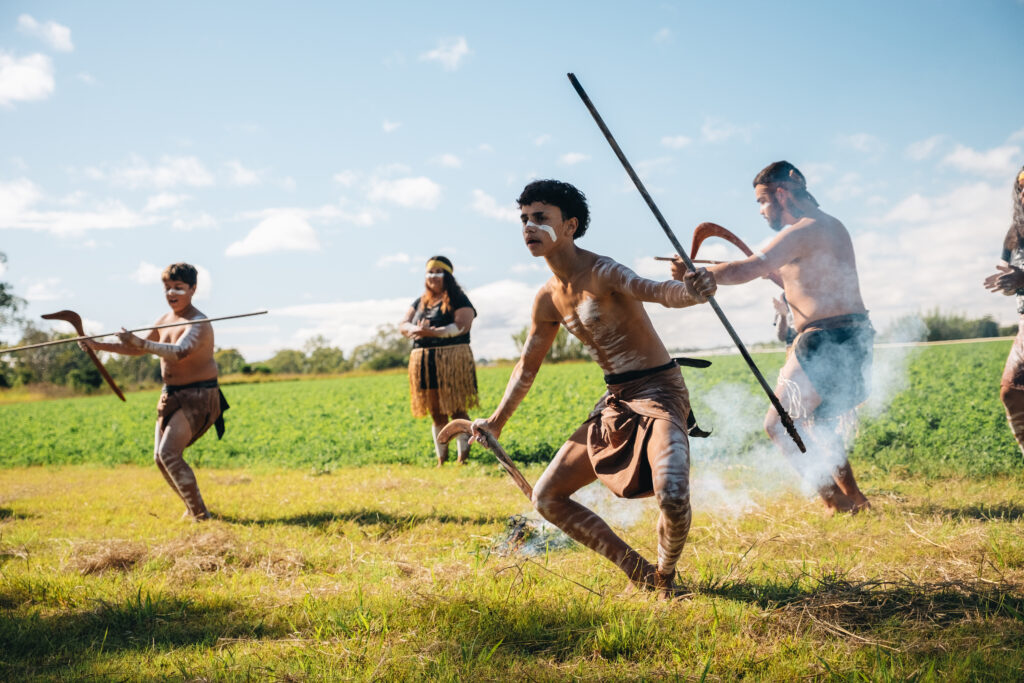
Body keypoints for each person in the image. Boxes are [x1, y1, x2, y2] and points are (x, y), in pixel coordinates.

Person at [471, 179, 716, 598]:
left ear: (570, 225)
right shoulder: (547, 298)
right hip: (616, 400)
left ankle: (666, 577)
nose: (529, 227)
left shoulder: (604, 271)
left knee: (673, 496)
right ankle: (638, 573)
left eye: (540, 218)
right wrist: (496, 421)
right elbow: (527, 365)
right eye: (524, 219)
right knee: (547, 498)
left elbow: (657, 290)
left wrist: (693, 292)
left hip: (660, 391)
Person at [674, 161, 873, 514]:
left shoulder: (803, 230)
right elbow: (798, 282)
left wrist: (699, 273)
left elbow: (748, 268)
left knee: (779, 424)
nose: (763, 211)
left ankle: (837, 504)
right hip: (850, 335)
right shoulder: (830, 227)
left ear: (781, 194)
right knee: (821, 426)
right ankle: (855, 499)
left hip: (826, 338)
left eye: (763, 201)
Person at [81, 263, 227, 521]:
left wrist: (141, 342)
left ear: (192, 289)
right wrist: (97, 345)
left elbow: (178, 351)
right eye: (167, 288)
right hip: (170, 393)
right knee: (160, 457)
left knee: (169, 453)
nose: (172, 293)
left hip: (198, 396)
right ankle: (194, 509)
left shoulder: (198, 322)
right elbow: (138, 350)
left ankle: (201, 516)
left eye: (178, 288)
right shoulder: (164, 320)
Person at [399, 256, 478, 465]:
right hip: (425, 362)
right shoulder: (420, 302)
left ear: (448, 276)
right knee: (435, 410)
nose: (433, 276)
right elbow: (403, 324)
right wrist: (415, 330)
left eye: (438, 272)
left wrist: (433, 332)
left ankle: (463, 457)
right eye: (429, 272)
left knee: (457, 408)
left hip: (451, 360)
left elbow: (463, 325)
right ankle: (441, 459)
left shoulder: (459, 298)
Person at [983, 165, 1024, 458]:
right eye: (1021, 185)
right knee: (1012, 392)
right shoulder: (1014, 234)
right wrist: (1007, 282)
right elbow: (1013, 282)